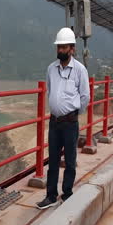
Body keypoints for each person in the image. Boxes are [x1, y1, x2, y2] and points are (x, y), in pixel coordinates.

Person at [36, 27, 89, 209]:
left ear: (72, 49)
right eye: (58, 47)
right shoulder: (51, 69)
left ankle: (67, 194)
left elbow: (85, 96)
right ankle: (50, 196)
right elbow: (50, 90)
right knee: (53, 160)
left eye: (64, 47)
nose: (60, 50)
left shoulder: (80, 70)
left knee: (70, 160)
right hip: (55, 122)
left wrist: (73, 114)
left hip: (70, 123)